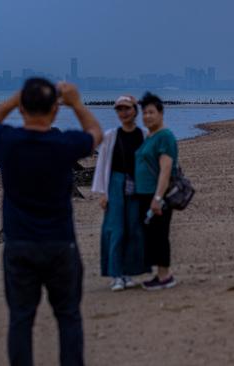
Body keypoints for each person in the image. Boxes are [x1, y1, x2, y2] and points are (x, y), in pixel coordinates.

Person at [0, 78, 102, 366]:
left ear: (22, 109)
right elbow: (95, 133)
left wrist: (13, 99)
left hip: (20, 244)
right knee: (68, 316)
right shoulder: (64, 143)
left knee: (21, 320)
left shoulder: (7, 141)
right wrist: (76, 103)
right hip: (60, 243)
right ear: (55, 111)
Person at [92, 95, 149, 291]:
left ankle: (128, 272)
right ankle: (116, 274)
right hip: (115, 185)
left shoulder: (144, 134)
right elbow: (102, 165)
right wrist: (102, 193)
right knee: (115, 229)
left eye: (126, 109)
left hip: (138, 186)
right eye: (119, 110)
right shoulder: (110, 136)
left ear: (135, 110)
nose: (123, 113)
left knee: (134, 228)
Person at [134, 92, 178, 290]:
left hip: (156, 195)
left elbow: (166, 169)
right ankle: (160, 274)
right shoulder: (150, 135)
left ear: (161, 113)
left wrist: (158, 198)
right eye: (144, 113)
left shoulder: (165, 137)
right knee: (152, 235)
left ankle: (165, 276)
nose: (147, 116)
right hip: (145, 193)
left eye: (151, 112)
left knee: (160, 234)